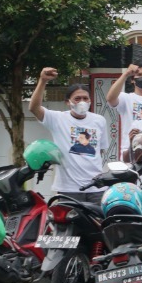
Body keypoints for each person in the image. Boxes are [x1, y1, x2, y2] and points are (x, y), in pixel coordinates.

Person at [29, 68, 108, 204]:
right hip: (68, 189)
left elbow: (100, 151)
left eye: (85, 98)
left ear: (90, 101)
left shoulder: (99, 120)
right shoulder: (57, 119)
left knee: (98, 224)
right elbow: (34, 108)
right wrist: (42, 81)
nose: (82, 102)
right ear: (68, 102)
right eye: (77, 99)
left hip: (96, 188)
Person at [106, 58, 142, 157]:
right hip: (130, 152)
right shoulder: (126, 98)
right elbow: (110, 98)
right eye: (139, 74)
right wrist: (126, 74)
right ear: (133, 79)